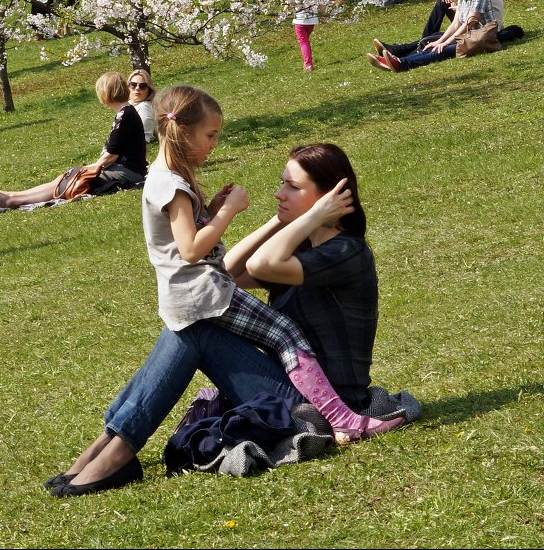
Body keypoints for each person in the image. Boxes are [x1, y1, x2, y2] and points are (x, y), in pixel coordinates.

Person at [45, 141, 419, 497]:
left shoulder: (345, 253)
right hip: (288, 386)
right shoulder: (304, 249)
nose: (279, 193)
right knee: (192, 319)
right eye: (281, 184)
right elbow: (229, 271)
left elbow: (260, 264)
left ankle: (118, 450)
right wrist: (281, 220)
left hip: (316, 403)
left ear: (327, 198)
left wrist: (308, 219)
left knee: (193, 329)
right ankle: (111, 443)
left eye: (291, 187)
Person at [0, 72, 146, 207]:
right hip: (123, 169)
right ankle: (13, 196)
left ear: (106, 93)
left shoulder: (125, 116)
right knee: (65, 178)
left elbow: (111, 156)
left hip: (127, 172)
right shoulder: (125, 113)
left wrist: (88, 169)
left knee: (70, 180)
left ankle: (12, 199)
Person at [369, 0, 495, 73]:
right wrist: (439, 41)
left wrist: (445, 43)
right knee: (433, 44)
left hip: (480, 38)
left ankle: (401, 64)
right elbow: (456, 23)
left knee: (440, 51)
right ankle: (398, 60)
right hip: (468, 36)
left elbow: (469, 23)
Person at [290, 0, 320, 72]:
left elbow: (290, 4)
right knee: (305, 41)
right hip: (312, 21)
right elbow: (321, 3)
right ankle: (306, 62)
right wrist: (324, 15)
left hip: (300, 22)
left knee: (303, 42)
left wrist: (285, 10)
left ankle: (308, 64)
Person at [127, 68, 156, 144]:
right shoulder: (128, 105)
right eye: (133, 85)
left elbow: (142, 139)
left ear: (149, 90)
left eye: (142, 86)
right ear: (128, 87)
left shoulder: (144, 107)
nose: (137, 88)